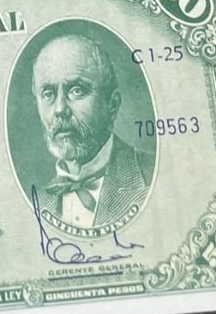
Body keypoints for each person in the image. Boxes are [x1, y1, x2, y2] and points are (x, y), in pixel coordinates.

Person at [30, 32, 149, 230]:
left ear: (112, 104)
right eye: (48, 94)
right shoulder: (38, 202)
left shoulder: (150, 176)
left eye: (76, 90)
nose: (60, 109)